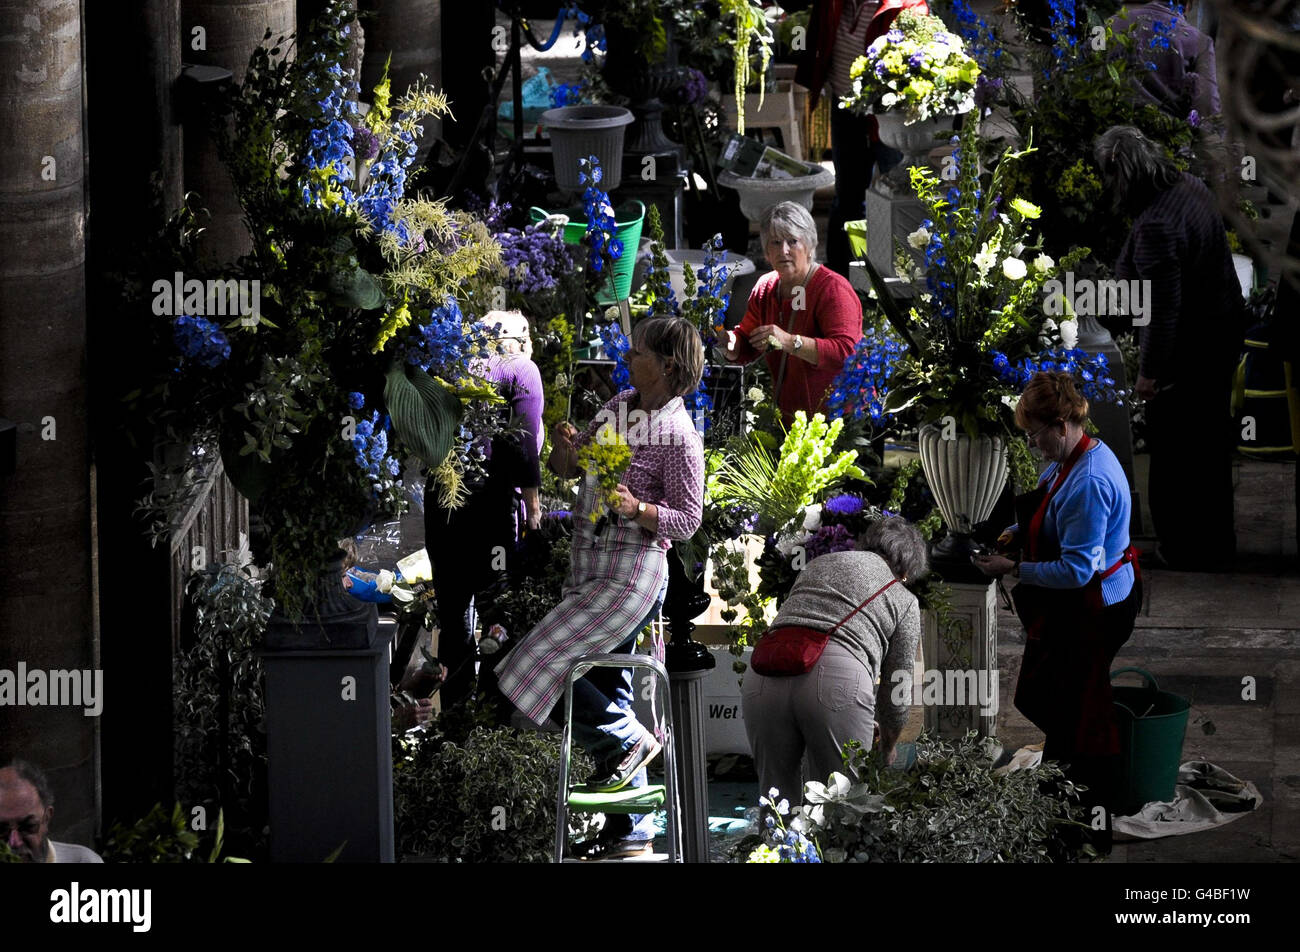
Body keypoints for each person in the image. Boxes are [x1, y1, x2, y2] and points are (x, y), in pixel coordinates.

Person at [496, 317, 705, 859]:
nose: (627, 357)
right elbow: (571, 468)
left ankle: (627, 741)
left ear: (669, 366)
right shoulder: (616, 408)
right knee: (605, 685)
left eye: (638, 353)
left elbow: (687, 520)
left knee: (538, 660)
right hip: (587, 567)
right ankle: (628, 829)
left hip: (633, 575)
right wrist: (564, 448)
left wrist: (638, 509)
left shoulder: (680, 435)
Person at [974, 372, 1143, 842]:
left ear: (1062, 425)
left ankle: (1080, 823)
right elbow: (1046, 503)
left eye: (1035, 435)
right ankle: (1066, 805)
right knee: (1065, 709)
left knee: (1078, 721)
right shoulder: (1075, 452)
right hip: (1089, 602)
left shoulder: (1089, 483)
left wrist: (1012, 568)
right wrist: (1014, 532)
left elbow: (1077, 572)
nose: (1032, 445)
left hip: (1099, 610)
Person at [1097, 125, 1241, 569]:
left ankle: (1184, 547)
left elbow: (1163, 311)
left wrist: (1148, 373)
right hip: (1220, 329)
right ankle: (1214, 544)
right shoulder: (1186, 184)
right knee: (1210, 445)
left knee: (1178, 451)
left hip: (1194, 347)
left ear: (1121, 172)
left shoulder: (1157, 223)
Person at [741, 516, 927, 806]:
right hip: (835, 679)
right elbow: (897, 688)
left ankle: (775, 851)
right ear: (904, 569)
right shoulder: (903, 599)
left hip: (765, 670)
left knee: (777, 806)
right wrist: (889, 744)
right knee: (842, 808)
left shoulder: (818, 564)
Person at [424, 309, 545, 709]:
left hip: (443, 502)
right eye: (524, 332)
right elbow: (523, 439)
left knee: (455, 616)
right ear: (511, 337)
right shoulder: (520, 369)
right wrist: (533, 504)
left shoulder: (450, 365)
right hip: (490, 506)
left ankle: (456, 719)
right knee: (498, 612)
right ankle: (492, 717)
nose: (529, 341)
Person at [798, 0, 931, 277]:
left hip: (890, 114)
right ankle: (836, 279)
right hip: (845, 107)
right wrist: (812, 77)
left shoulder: (905, 5)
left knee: (900, 193)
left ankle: (906, 278)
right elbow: (816, 34)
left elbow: (921, 52)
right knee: (847, 196)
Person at [725, 202, 863, 425]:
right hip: (792, 419)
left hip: (843, 418)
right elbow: (748, 341)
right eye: (776, 242)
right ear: (766, 252)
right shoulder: (765, 287)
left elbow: (846, 352)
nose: (784, 250)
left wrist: (789, 342)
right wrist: (730, 342)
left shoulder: (832, 289)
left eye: (793, 241)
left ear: (809, 245)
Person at [1111, 1, 1220, 121]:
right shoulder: (1201, 42)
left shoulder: (1113, 24)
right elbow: (1209, 112)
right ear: (1188, 4)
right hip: (1166, 135)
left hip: (1107, 131)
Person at [0, 759, 103, 863]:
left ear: (46, 818)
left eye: (28, 826)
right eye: (1, 830)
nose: (14, 842)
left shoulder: (84, 861)